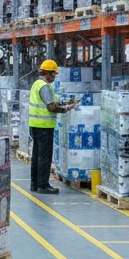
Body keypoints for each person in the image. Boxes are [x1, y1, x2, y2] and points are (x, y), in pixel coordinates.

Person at [28, 59, 76, 194]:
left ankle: (35, 184)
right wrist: (65, 110)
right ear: (47, 73)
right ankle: (43, 185)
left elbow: (51, 102)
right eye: (53, 74)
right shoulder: (44, 86)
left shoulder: (37, 84)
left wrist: (67, 102)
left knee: (37, 155)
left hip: (36, 125)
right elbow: (50, 107)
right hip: (44, 127)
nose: (54, 77)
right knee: (45, 157)